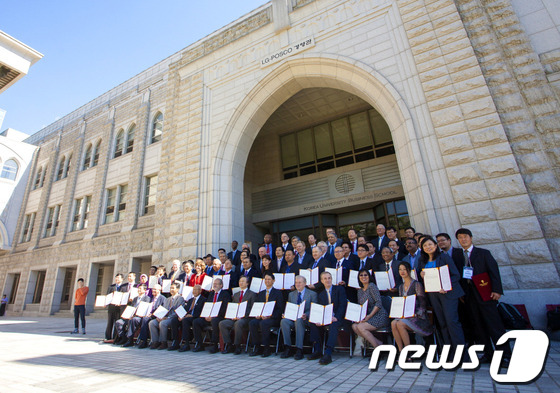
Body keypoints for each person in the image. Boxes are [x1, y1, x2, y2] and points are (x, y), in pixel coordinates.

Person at [452, 228, 511, 365]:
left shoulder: (483, 253)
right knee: (478, 326)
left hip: (486, 294)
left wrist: (497, 290)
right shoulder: (458, 257)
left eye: (465, 237)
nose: (463, 239)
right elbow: (458, 277)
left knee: (494, 325)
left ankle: (505, 355)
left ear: (471, 238)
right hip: (469, 296)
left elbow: (494, 272)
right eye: (460, 237)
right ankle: (488, 354)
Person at [418, 236, 465, 352]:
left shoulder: (444, 257)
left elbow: (456, 275)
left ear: (435, 245)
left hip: (447, 294)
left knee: (452, 322)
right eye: (425, 246)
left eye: (430, 244)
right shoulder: (423, 261)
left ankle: (461, 354)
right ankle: (449, 353)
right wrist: (422, 276)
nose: (428, 247)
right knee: (442, 323)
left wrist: (446, 286)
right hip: (434, 295)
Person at [391, 262, 433, 354]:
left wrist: (415, 313)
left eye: (404, 269)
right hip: (405, 316)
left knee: (400, 324)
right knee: (394, 323)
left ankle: (408, 352)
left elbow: (422, 304)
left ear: (409, 270)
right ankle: (400, 350)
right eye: (400, 269)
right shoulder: (401, 287)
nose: (402, 271)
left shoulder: (416, 284)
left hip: (418, 317)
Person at [308, 271, 347, 365]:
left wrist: (336, 317)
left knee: (333, 325)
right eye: (325, 278)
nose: (327, 280)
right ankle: (317, 350)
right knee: (313, 323)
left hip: (338, 318)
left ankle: (328, 353)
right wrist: (319, 319)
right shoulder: (321, 294)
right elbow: (321, 309)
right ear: (321, 281)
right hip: (326, 318)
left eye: (329, 278)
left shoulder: (339, 289)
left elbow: (343, 305)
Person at [280, 275, 317, 360]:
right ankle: (287, 347)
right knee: (284, 321)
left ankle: (299, 349)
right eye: (296, 282)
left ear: (305, 283)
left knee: (299, 320)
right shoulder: (291, 294)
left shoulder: (312, 294)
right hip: (293, 318)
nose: (297, 284)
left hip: (305, 319)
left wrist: (306, 315)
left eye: (300, 282)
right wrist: (285, 314)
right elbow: (289, 307)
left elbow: (314, 309)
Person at [351, 269, 390, 351]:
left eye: (365, 275)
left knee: (361, 327)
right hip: (368, 317)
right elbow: (361, 307)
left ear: (369, 276)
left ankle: (377, 349)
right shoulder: (360, 291)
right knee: (354, 326)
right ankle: (379, 345)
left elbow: (378, 303)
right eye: (361, 275)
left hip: (379, 315)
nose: (363, 277)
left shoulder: (372, 286)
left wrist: (369, 316)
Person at [248, 273, 285, 357]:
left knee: (264, 323)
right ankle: (257, 347)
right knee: (252, 323)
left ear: (273, 281)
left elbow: (280, 309)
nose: (267, 281)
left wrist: (270, 316)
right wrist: (257, 314)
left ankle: (266, 348)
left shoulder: (278, 293)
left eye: (269, 279)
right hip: (261, 316)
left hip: (273, 318)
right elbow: (257, 306)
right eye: (265, 279)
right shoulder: (261, 293)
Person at [192, 278, 231, 353]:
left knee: (215, 321)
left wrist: (214, 316)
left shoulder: (225, 294)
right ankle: (199, 344)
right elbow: (207, 306)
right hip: (208, 316)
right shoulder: (211, 294)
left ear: (221, 285)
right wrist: (206, 315)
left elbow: (225, 308)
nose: (214, 285)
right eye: (214, 284)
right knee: (196, 321)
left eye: (216, 284)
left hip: (219, 316)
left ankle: (215, 344)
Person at [219, 276, 256, 354]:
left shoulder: (252, 294)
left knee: (238, 324)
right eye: (240, 281)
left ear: (247, 283)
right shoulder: (236, 294)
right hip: (235, 317)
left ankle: (237, 346)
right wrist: (232, 315)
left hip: (246, 318)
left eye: (243, 281)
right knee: (222, 323)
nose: (241, 283)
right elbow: (232, 307)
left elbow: (253, 309)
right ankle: (229, 344)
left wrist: (243, 316)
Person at [148, 282, 185, 349]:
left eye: (173, 288)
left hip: (173, 318)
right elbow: (163, 310)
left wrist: (167, 317)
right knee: (152, 322)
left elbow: (178, 311)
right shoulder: (167, 299)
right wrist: (159, 316)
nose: (171, 290)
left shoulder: (180, 299)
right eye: (170, 288)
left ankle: (163, 342)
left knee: (163, 323)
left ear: (177, 289)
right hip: (165, 317)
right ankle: (155, 341)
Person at [135, 284, 165, 349]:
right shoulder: (151, 298)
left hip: (157, 316)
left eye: (155, 289)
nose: (153, 290)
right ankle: (144, 340)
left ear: (159, 290)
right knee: (143, 319)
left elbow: (163, 310)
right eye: (152, 289)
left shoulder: (162, 298)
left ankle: (144, 341)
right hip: (148, 315)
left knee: (145, 319)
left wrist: (153, 314)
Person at [176, 285, 206, 352]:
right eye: (193, 290)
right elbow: (186, 310)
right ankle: (186, 343)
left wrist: (192, 316)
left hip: (198, 317)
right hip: (189, 317)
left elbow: (202, 311)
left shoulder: (203, 300)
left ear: (200, 291)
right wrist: (181, 316)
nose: (194, 291)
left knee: (194, 321)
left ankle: (199, 344)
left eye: (196, 290)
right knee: (183, 320)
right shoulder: (190, 300)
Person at [103, 273, 126, 343]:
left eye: (118, 278)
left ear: (122, 279)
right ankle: (108, 337)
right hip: (111, 308)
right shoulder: (111, 287)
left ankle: (115, 337)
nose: (117, 279)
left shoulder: (124, 287)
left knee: (117, 322)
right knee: (109, 323)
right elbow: (107, 296)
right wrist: (105, 303)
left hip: (119, 308)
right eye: (116, 277)